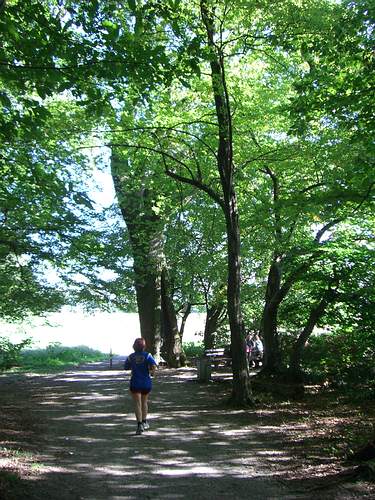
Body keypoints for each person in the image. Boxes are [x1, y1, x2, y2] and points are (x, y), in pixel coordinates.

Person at [124, 338, 157, 435]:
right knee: (144, 402)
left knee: (137, 404)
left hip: (135, 382)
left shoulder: (131, 357)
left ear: (134, 346)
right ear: (144, 346)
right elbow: (154, 366)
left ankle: (139, 424)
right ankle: (144, 421)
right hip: (146, 382)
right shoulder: (148, 355)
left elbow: (126, 367)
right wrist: (152, 373)